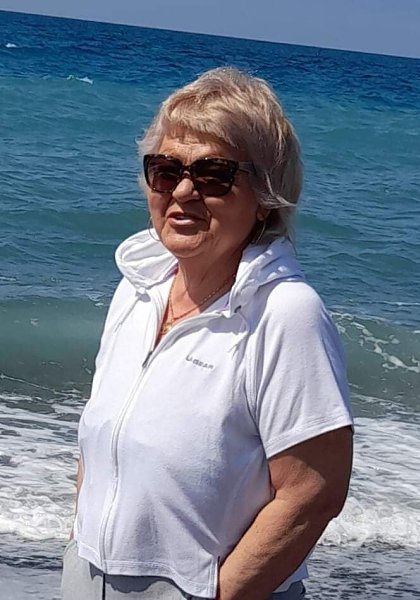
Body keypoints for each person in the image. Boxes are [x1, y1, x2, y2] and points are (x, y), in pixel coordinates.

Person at [62, 67, 353, 600]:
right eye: (165, 170)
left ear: (264, 196)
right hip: (90, 575)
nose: (183, 191)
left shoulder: (285, 313)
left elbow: (313, 492)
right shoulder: (137, 289)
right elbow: (103, 435)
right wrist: (79, 540)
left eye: (214, 174)